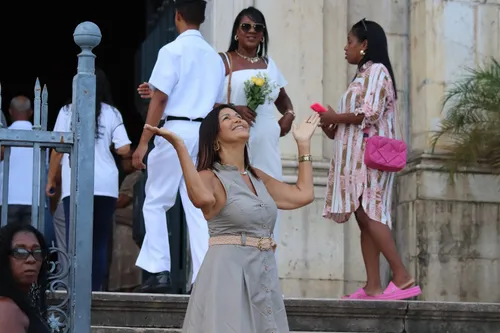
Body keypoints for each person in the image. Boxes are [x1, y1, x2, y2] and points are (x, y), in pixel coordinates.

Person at [144, 104, 318, 333]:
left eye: (238, 116)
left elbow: (303, 195)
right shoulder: (210, 176)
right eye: (227, 118)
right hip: (228, 274)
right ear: (215, 138)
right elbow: (201, 198)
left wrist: (303, 144)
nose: (237, 119)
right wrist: (180, 148)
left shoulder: (258, 177)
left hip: (262, 271)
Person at [138, 7, 295, 250]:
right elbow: (199, 93)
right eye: (246, 26)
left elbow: (283, 98)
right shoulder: (221, 60)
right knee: (230, 198)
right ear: (236, 32)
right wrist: (233, 108)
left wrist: (289, 115)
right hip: (232, 136)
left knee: (268, 197)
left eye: (258, 28)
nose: (252, 31)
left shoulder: (270, 64)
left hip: (265, 137)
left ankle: (266, 261)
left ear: (263, 34)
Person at [319, 19, 421, 300]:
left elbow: (371, 112)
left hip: (370, 159)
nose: (345, 47)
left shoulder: (377, 71)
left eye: (350, 41)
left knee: (370, 213)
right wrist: (332, 127)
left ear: (364, 45)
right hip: (356, 158)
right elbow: (357, 123)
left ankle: (401, 276)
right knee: (363, 217)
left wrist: (335, 117)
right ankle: (373, 285)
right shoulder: (362, 75)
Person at [131, 0, 226, 293]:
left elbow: (160, 100)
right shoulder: (214, 57)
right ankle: (203, 277)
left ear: (178, 16)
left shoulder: (171, 50)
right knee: (197, 205)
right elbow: (212, 100)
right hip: (204, 132)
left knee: (156, 200)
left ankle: (159, 271)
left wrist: (143, 142)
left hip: (176, 131)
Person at [46, 68, 131, 292]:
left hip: (75, 183)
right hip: (106, 185)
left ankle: (75, 290)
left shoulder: (67, 111)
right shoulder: (112, 113)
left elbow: (58, 148)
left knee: (75, 241)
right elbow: (124, 149)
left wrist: (51, 180)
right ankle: (94, 290)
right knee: (100, 241)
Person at [0, 223, 50, 333]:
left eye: (37, 252)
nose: (31, 260)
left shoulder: (21, 302)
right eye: (20, 252)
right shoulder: (6, 308)